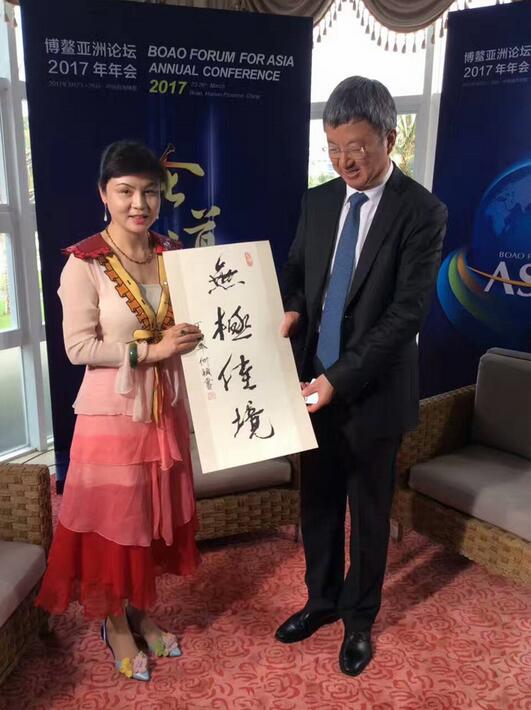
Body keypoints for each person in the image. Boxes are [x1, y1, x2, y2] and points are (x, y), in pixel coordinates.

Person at [276, 77, 447, 676]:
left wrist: (340, 379)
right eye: (333, 148)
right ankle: (320, 601)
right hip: (312, 383)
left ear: (389, 139)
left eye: (357, 148)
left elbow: (406, 315)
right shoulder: (319, 202)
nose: (344, 161)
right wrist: (292, 308)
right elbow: (298, 272)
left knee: (368, 512)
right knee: (318, 502)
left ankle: (359, 620)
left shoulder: (422, 212)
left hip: (373, 391)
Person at [36, 140, 203, 682]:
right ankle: (114, 624)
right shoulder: (84, 263)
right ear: (103, 194)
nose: (139, 203)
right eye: (126, 191)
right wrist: (151, 352)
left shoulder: (173, 253)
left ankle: (141, 612)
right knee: (116, 521)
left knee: (150, 517)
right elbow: (78, 348)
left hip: (164, 412)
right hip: (111, 416)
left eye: (150, 192)